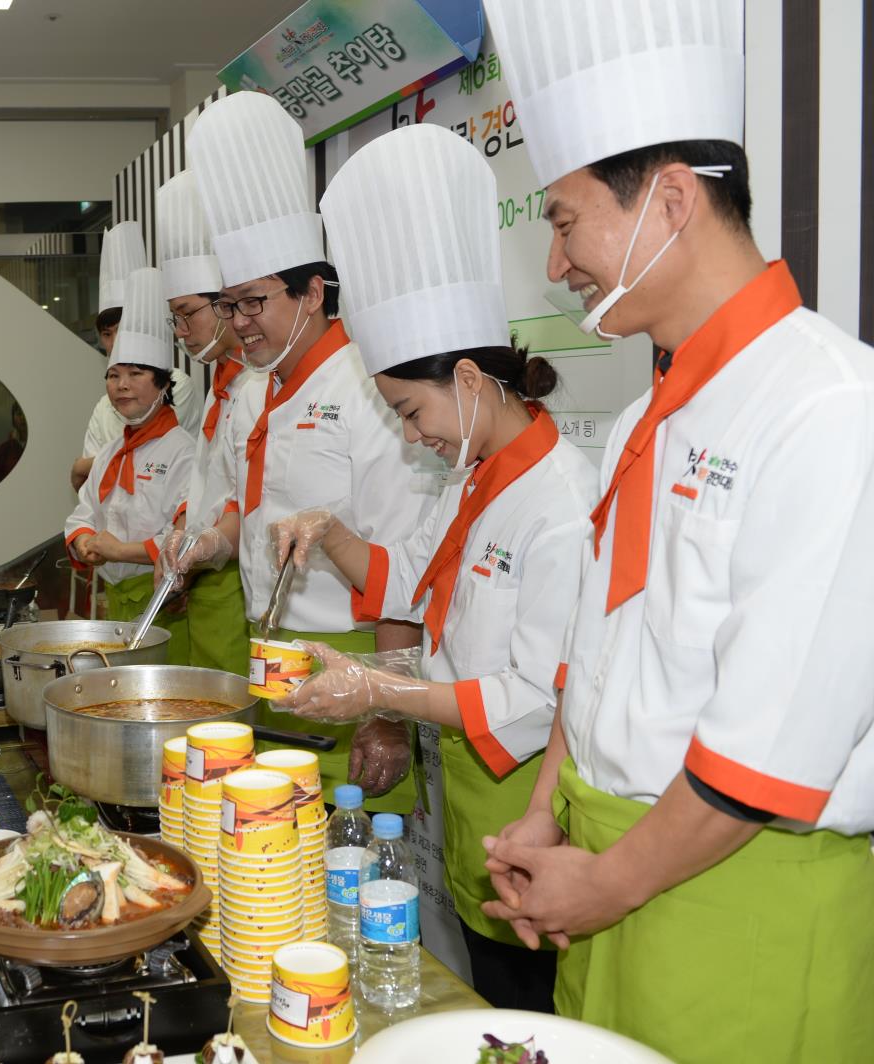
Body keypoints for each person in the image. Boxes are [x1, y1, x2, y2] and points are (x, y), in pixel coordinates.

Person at [472, 4, 874, 1060]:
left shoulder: (828, 405)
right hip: (610, 880)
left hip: (741, 903)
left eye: (561, 221)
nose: (555, 263)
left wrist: (601, 881)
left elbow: (766, 747)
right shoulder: (653, 410)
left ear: (672, 198)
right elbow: (598, 653)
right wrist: (549, 814)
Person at [263, 123, 595, 1011]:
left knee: (524, 1005)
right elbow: (409, 573)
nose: (414, 437)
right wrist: (327, 528)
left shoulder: (559, 501)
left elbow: (537, 696)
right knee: (478, 988)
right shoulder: (474, 477)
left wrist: (378, 693)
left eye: (413, 412)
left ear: (471, 379)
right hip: (466, 794)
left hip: (531, 800)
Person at [173, 90, 439, 802]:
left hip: (350, 662)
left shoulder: (370, 389)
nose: (240, 323)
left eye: (255, 302)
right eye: (228, 305)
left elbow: (402, 564)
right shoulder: (253, 389)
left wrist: (384, 707)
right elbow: (250, 514)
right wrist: (210, 544)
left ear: (314, 291)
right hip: (270, 658)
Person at [152, 169, 257, 675]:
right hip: (207, 579)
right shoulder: (222, 383)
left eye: (187, 313)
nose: (181, 332)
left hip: (241, 584)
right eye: (173, 318)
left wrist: (210, 540)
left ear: (223, 304)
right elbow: (210, 482)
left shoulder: (259, 383)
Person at [65, 266, 194, 662]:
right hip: (116, 599)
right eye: (114, 375)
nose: (121, 385)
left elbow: (186, 535)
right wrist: (85, 540)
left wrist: (122, 550)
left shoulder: (183, 451)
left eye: (136, 374)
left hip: (164, 601)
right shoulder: (109, 453)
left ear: (163, 385)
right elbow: (82, 512)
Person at [69, 221, 201, 491]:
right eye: (107, 334)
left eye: (123, 330)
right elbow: (87, 489)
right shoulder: (103, 406)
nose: (116, 343)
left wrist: (87, 465)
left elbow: (154, 462)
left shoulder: (178, 385)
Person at [0, 401, 27, 491]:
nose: (23, 418)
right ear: (13, 418)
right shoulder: (5, 448)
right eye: (19, 414)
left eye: (25, 414)